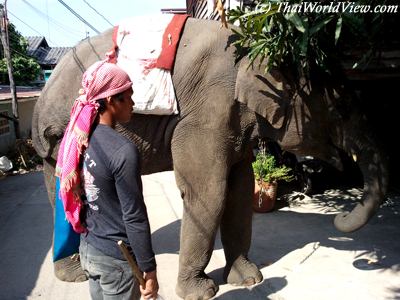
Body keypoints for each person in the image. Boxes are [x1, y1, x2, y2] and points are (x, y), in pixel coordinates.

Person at [55, 60, 158, 300]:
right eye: (128, 97)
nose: (133, 104)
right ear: (111, 100)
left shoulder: (77, 139)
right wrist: (149, 269)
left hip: (89, 248)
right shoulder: (122, 150)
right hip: (116, 262)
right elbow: (134, 216)